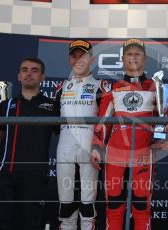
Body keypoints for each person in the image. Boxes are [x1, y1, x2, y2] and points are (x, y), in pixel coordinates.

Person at [90, 38, 168, 230]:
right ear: (122, 58)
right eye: (129, 54)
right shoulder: (113, 88)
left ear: (145, 59)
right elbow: (103, 122)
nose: (133, 57)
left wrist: (167, 136)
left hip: (144, 153)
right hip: (115, 154)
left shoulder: (156, 87)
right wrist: (96, 147)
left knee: (141, 205)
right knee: (114, 205)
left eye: (137, 54)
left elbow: (166, 119)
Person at [0, 57, 60, 230]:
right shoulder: (6, 105)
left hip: (34, 177)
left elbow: (66, 138)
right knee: (0, 224)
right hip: (4, 174)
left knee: (29, 225)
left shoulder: (53, 107)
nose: (29, 73)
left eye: (34, 70)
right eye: (25, 70)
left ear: (43, 77)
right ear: (19, 76)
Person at [56, 39, 108, 230]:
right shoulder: (61, 88)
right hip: (65, 145)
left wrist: (98, 145)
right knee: (65, 204)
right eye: (74, 56)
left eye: (83, 56)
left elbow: (106, 121)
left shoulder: (101, 86)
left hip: (90, 147)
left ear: (92, 59)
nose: (78, 60)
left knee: (88, 205)